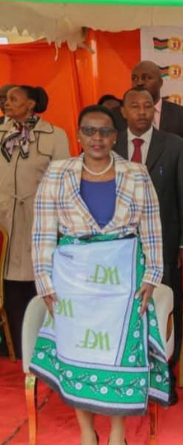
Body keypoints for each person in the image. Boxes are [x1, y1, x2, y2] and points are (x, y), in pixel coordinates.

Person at [29, 105, 169, 445]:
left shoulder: (135, 173)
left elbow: (152, 228)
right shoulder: (58, 173)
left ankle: (117, 434)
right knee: (78, 355)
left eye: (105, 131)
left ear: (115, 137)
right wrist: (45, 283)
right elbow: (43, 232)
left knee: (120, 356)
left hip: (123, 280)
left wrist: (152, 275)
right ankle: (86, 433)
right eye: (89, 131)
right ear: (78, 135)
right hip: (72, 282)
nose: (97, 138)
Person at [114, 87, 183, 403]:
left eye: (147, 106)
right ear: (123, 112)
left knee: (164, 307)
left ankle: (165, 376)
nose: (142, 112)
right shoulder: (109, 144)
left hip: (163, 244)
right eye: (134, 106)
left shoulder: (175, 146)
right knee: (125, 308)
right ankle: (126, 373)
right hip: (118, 247)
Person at [0, 85, 69, 356]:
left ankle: (38, 344)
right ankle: (11, 343)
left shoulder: (54, 135)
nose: (6, 103)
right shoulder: (2, 132)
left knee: (36, 280)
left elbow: (63, 181)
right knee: (7, 281)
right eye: (5, 99)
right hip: (4, 220)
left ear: (30, 104)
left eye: (13, 99)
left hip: (38, 219)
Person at [114, 60, 183, 214]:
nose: (139, 82)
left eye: (146, 77)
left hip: (168, 207)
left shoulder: (181, 115)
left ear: (161, 82)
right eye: (135, 78)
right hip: (124, 207)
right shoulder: (117, 115)